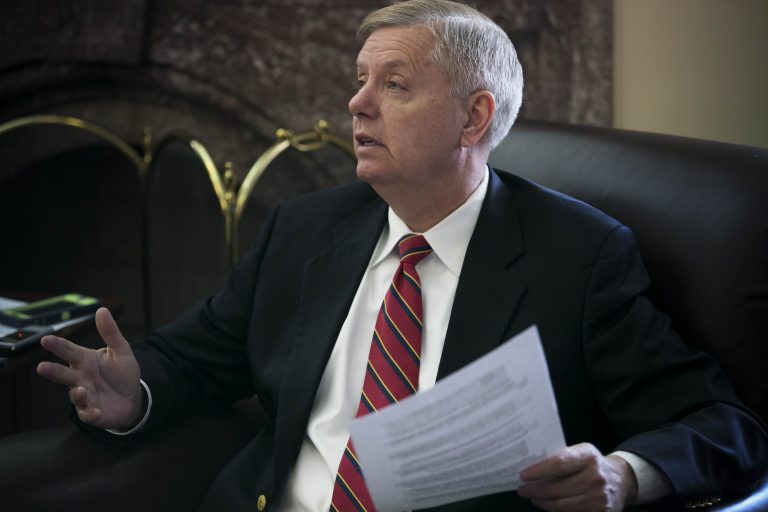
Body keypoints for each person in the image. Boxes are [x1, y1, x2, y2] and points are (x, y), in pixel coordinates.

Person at [37, 1, 767, 511]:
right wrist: (134, 395)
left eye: (393, 85)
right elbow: (196, 358)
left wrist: (623, 476)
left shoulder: (578, 258)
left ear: (474, 117)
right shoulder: (306, 229)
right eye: (360, 80)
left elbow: (722, 424)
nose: (357, 104)